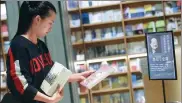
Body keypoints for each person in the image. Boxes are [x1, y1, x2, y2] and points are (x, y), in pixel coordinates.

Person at [5, 1, 93, 103]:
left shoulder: (41, 46)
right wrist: (49, 100)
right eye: (50, 23)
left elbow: (51, 73)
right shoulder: (18, 45)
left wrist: (78, 76)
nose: (51, 27)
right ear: (37, 19)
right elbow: (19, 84)